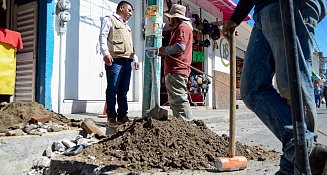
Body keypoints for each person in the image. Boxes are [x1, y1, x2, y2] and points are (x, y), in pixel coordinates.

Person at [223, 0, 327, 174]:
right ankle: (304, 156)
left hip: (293, 4)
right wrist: (237, 16)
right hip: (262, 9)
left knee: (293, 88)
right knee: (251, 89)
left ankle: (301, 161)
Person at [99, 1, 139, 126]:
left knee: (124, 90)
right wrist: (105, 53)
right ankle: (111, 117)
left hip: (127, 61)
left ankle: (122, 115)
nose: (131, 14)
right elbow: (103, 36)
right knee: (113, 88)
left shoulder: (127, 27)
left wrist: (135, 59)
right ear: (121, 8)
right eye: (129, 10)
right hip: (115, 60)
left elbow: (131, 45)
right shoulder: (109, 20)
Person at [157, 4, 193, 120]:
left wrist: (163, 50)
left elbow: (180, 47)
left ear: (176, 18)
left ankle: (187, 124)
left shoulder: (182, 28)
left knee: (179, 100)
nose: (169, 19)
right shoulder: (182, 28)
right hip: (177, 69)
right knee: (176, 100)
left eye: (170, 17)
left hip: (177, 69)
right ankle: (182, 124)